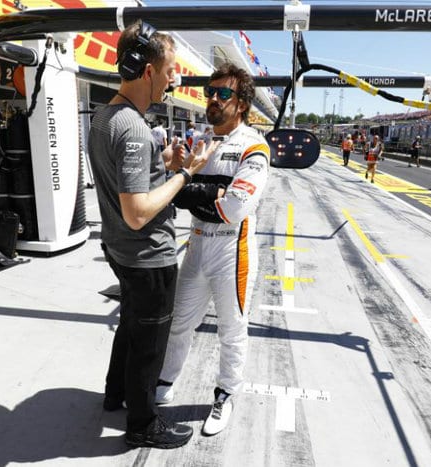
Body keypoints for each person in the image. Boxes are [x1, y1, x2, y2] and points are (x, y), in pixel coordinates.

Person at [87, 20, 209, 450]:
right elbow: (137, 212)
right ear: (147, 71)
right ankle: (142, 425)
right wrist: (183, 173)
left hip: (118, 249)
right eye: (170, 68)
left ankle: (115, 393)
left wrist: (162, 163)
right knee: (149, 344)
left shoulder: (105, 116)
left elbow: (123, 174)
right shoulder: (136, 129)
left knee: (130, 326)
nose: (175, 78)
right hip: (147, 256)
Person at [156, 62, 269, 437]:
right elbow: (176, 192)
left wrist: (190, 190)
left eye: (224, 94)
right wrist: (207, 192)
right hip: (198, 244)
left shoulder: (253, 145)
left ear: (242, 103)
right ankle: (164, 382)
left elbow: (234, 208)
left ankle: (225, 395)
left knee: (232, 331)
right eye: (210, 92)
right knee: (179, 324)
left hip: (232, 254)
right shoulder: (200, 141)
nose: (214, 99)